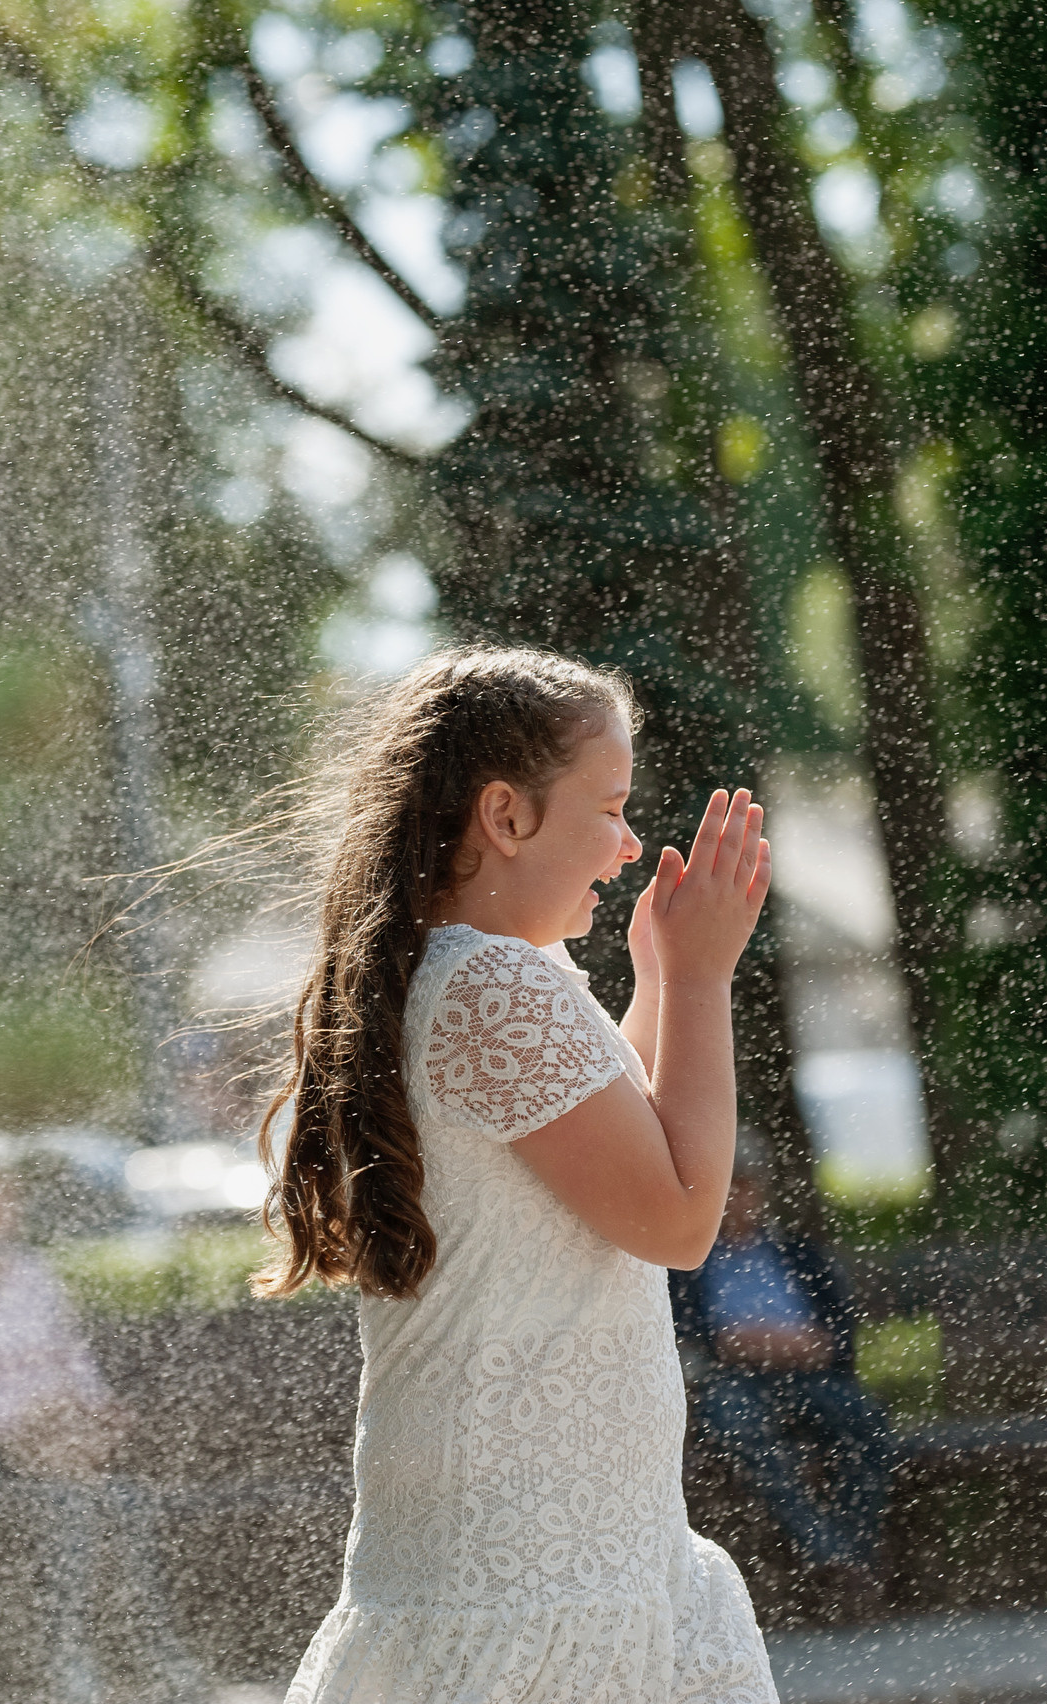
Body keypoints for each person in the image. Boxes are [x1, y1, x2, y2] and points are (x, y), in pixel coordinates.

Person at [264, 646, 778, 1704]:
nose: (630, 844)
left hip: (564, 1546)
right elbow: (678, 1218)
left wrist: (654, 985)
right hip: (534, 1565)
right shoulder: (493, 984)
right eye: (610, 806)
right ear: (506, 816)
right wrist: (699, 979)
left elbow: (611, 1143)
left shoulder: (483, 971)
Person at [0, 1163, 206, 1704]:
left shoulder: (34, 1275)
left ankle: (135, 1651)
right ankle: (77, 1659)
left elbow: (71, 1356)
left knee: (121, 1504)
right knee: (88, 1507)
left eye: (10, 1200)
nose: (7, 1212)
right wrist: (22, 1415)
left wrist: (96, 1407)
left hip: (57, 1438)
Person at [671, 1136, 902, 1606]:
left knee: (865, 1422)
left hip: (811, 1375)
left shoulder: (799, 1254)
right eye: (729, 1188)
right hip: (733, 1381)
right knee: (738, 1425)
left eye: (748, 1187)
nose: (739, 1199)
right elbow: (693, 1338)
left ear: (764, 1192)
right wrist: (737, 1345)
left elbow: (838, 1333)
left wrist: (779, 1344)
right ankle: (832, 1556)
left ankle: (848, 1562)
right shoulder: (688, 1262)